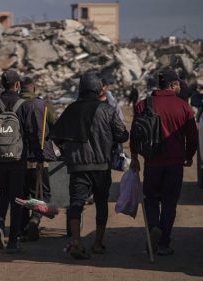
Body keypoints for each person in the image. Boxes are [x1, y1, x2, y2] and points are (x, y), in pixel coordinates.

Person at [51, 72, 129, 259]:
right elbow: (123, 135)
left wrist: (67, 149)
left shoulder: (71, 109)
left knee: (76, 203)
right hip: (102, 166)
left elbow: (56, 135)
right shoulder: (107, 110)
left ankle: (76, 241)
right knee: (101, 203)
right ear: (98, 89)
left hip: (78, 167)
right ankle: (98, 243)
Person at [130, 69, 198, 256]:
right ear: (173, 85)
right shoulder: (184, 107)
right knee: (169, 203)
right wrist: (189, 156)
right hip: (175, 163)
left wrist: (135, 157)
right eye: (178, 84)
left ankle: (153, 228)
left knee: (151, 199)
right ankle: (163, 243)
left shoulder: (143, 105)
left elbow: (135, 133)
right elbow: (193, 137)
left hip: (152, 162)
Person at [0, 70, 37, 252]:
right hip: (18, 159)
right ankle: (13, 241)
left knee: (4, 193)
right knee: (17, 197)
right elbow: (31, 133)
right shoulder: (24, 106)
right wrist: (38, 155)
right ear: (17, 84)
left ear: (2, 84)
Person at [19, 76, 58, 242]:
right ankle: (35, 218)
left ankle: (23, 228)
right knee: (43, 193)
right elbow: (57, 127)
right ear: (33, 88)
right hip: (40, 158)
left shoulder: (12, 105)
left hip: (17, 159)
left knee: (22, 194)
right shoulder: (44, 105)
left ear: (19, 87)